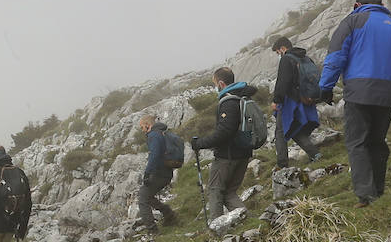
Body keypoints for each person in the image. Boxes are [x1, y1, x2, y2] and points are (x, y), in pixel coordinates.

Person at [319, 0, 391, 207]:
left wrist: (325, 87)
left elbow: (336, 56)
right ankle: (379, 190)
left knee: (357, 142)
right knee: (377, 141)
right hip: (390, 93)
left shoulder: (352, 22)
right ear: (381, 4)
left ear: (357, 5)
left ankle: (366, 195)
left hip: (359, 91)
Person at [189, 68, 258, 222]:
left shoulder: (228, 102)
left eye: (215, 83)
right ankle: (248, 221)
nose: (216, 87)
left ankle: (216, 227)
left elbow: (224, 132)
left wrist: (199, 143)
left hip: (228, 156)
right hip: (244, 152)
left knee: (215, 190)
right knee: (229, 192)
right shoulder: (242, 97)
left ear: (221, 83)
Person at [270, 37, 321, 169]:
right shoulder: (305, 58)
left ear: (282, 48)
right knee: (295, 129)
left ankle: (282, 165)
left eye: (277, 52)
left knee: (280, 132)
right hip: (305, 98)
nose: (278, 55)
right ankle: (315, 155)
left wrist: (276, 101)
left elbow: (283, 82)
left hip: (291, 101)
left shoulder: (287, 59)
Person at [133, 118, 179, 230]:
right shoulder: (162, 133)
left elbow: (154, 155)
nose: (142, 130)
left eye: (142, 127)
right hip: (166, 172)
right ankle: (169, 215)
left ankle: (152, 230)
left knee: (143, 197)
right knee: (147, 196)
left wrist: (147, 173)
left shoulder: (153, 135)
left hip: (160, 173)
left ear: (148, 125)